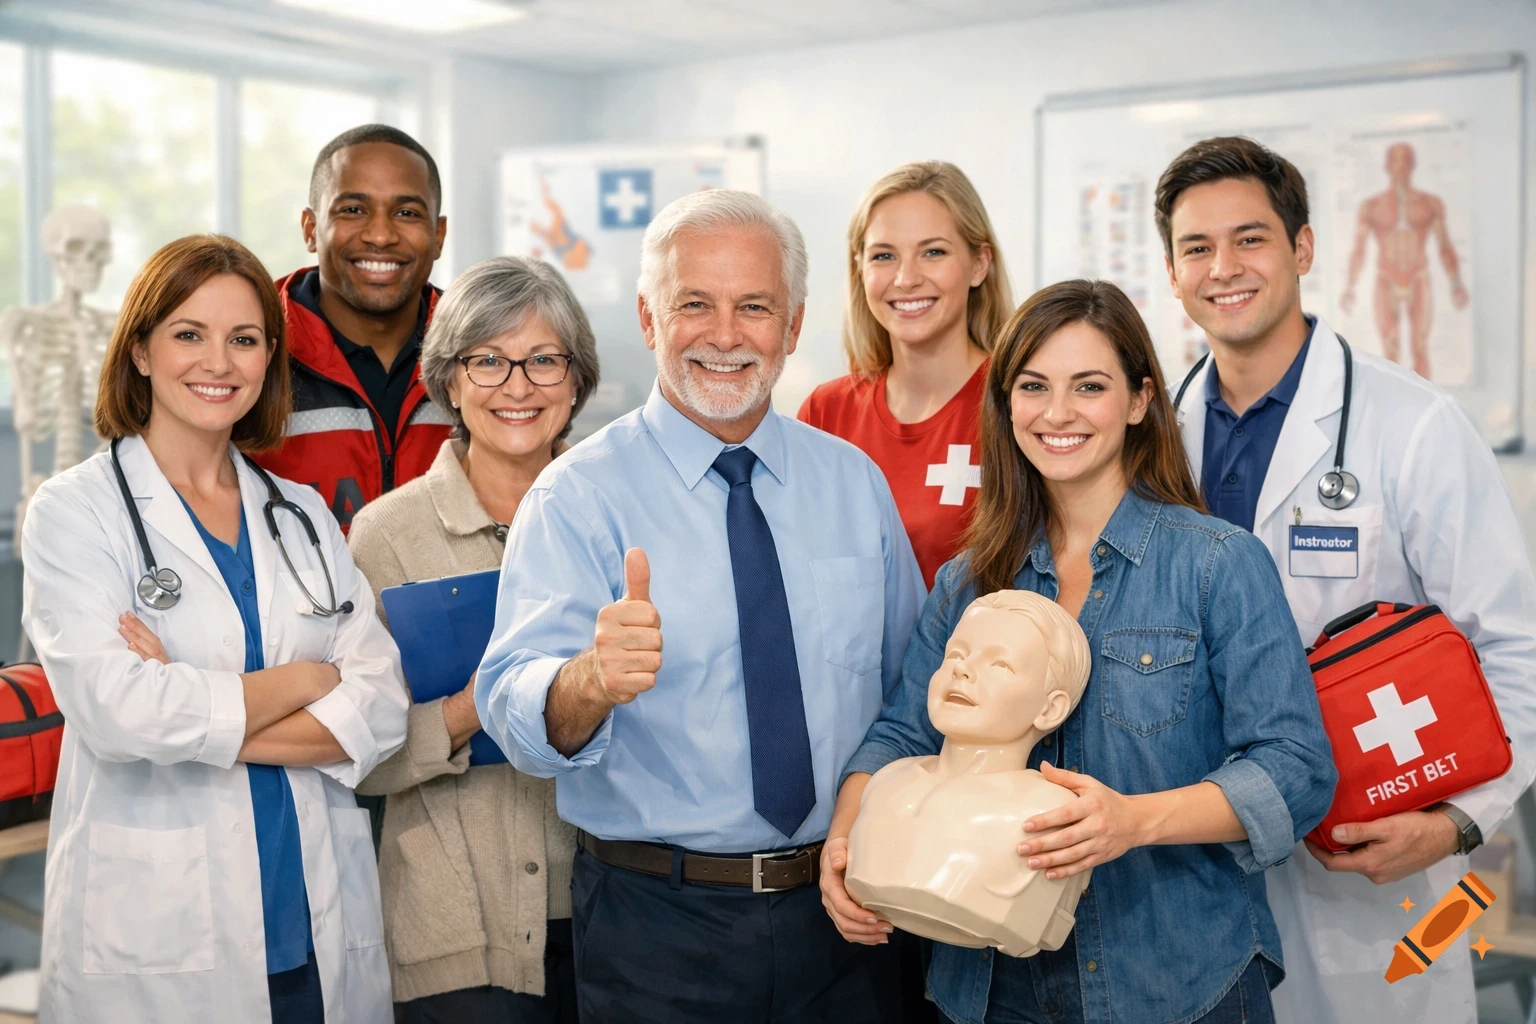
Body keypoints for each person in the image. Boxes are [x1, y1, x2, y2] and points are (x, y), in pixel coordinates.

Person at [820, 279, 1338, 1024]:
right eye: (1032, 387)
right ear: (1005, 406)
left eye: (1088, 387)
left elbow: (1295, 770)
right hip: (990, 982)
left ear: (1138, 401)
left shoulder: (1218, 565)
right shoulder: (968, 582)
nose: (1056, 413)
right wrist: (845, 840)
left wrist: (1133, 821)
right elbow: (902, 734)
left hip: (1176, 977)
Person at [476, 189, 926, 1023]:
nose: (724, 336)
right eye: (694, 304)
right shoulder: (577, 496)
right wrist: (590, 679)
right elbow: (511, 709)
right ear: (649, 320)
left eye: (753, 306)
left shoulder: (853, 486)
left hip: (846, 912)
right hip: (657, 926)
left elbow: (910, 699)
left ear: (793, 328)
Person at [1159, 136, 1536, 1024]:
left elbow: (1515, 648)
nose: (1224, 269)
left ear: (1303, 248)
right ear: (1172, 271)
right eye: (1196, 248)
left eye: (1250, 239)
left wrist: (1459, 824)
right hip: (1194, 855)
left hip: (1374, 869)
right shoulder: (1155, 435)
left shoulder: (1414, 427)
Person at [20, 234, 409, 1023]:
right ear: (139, 350)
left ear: (270, 357)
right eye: (189, 334)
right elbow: (118, 712)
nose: (219, 363)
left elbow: (382, 707)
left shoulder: (299, 514)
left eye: (245, 339)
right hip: (161, 944)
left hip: (315, 930)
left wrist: (190, 703)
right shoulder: (75, 513)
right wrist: (306, 683)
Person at [347, 256, 601, 1023]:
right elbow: (357, 759)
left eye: (544, 360)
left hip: (614, 911)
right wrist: (480, 705)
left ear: (576, 379)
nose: (517, 386)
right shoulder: (386, 536)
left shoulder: (618, 514)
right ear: (450, 381)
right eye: (487, 360)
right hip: (454, 930)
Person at [800, 161, 1013, 588]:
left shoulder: (1017, 403)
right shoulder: (826, 414)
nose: (906, 278)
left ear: (979, 264)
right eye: (884, 256)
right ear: (860, 269)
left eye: (933, 251)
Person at [254, 124, 452, 532]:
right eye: (353, 210)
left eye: (407, 213)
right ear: (311, 228)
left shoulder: (486, 351)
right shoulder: (250, 350)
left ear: (438, 235)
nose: (380, 235)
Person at [1339, 142, 1469, 379]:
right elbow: (1359, 250)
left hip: (1418, 276)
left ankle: (1427, 409)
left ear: (1413, 165)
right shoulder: (1372, 206)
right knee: (1390, 348)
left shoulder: (1429, 203)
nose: (1400, 166)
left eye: (1405, 160)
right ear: (1387, 166)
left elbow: (1445, 246)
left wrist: (1456, 283)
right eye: (1395, 160)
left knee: (1420, 346)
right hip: (1386, 278)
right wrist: (1350, 287)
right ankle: (1392, 412)